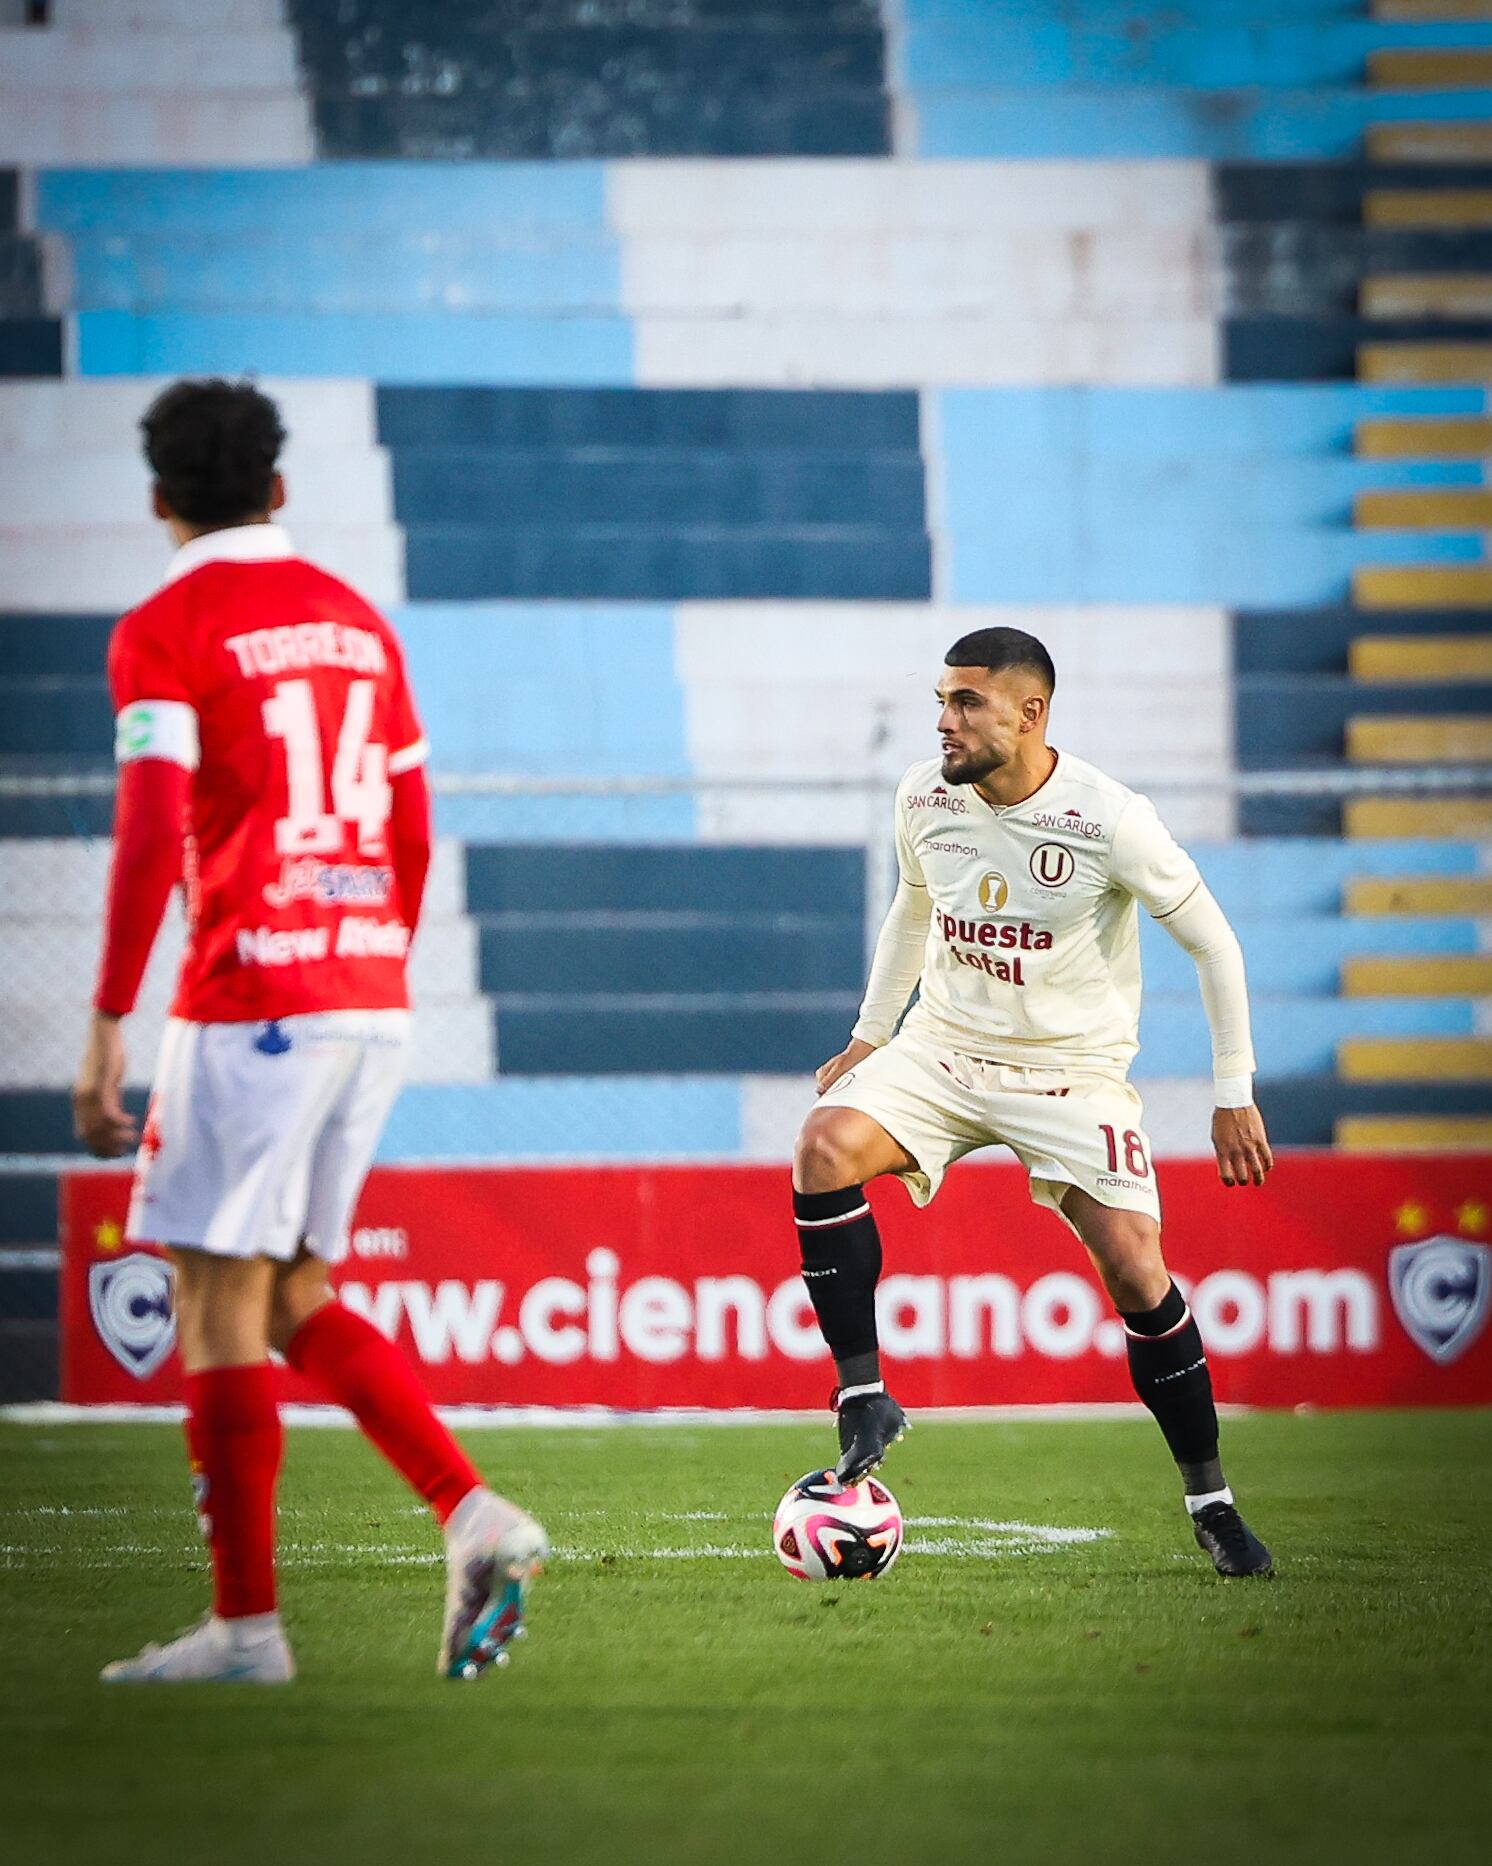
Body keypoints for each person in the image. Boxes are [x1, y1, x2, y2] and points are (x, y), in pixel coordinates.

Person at [72, 378, 547, 1682]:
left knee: (218, 1303)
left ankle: (246, 1633)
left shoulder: (163, 628)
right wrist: (365, 963)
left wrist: (108, 1018)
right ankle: (473, 1513)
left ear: (161, 500)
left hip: (252, 999)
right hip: (364, 994)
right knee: (289, 1293)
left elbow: (145, 828)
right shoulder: (356, 625)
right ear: (279, 490)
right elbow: (406, 827)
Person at [793, 626, 1275, 1577]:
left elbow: (1216, 946)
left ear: (1030, 712)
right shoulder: (924, 794)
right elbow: (915, 906)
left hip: (1070, 1075)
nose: (945, 721)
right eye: (941, 700)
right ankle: (863, 1397)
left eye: (966, 703)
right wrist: (872, 1033)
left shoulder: (1108, 819)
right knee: (822, 1146)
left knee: (1139, 1273)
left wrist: (1233, 1093)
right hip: (943, 1052)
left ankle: (1212, 1504)